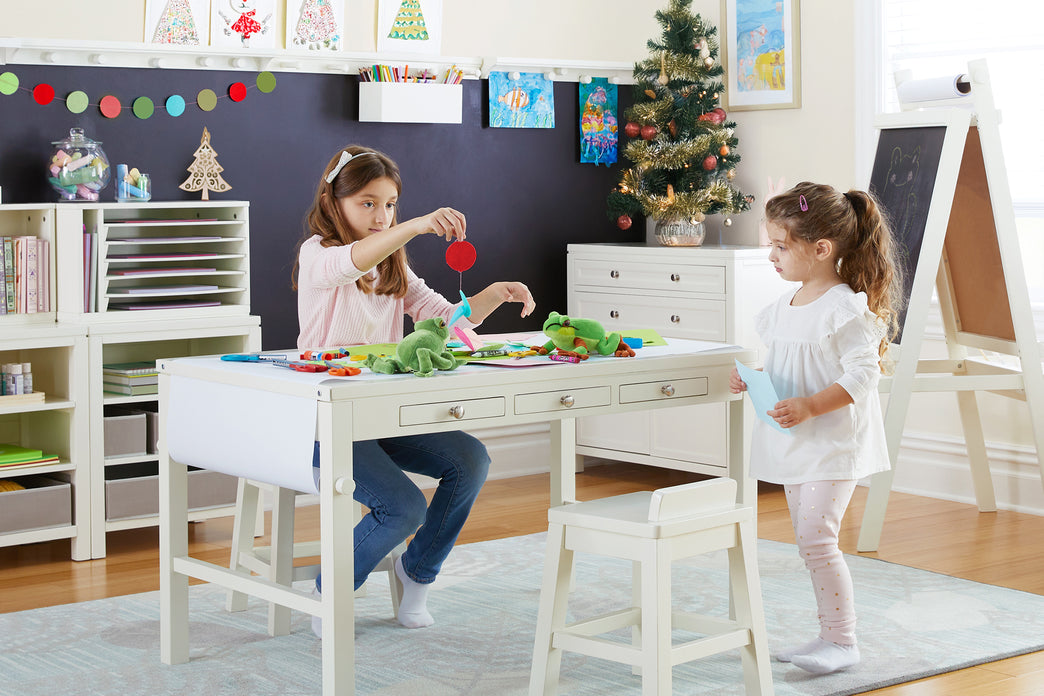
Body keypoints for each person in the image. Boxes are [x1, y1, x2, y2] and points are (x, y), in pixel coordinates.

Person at [294, 145, 536, 633]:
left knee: (470, 461)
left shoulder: (393, 267)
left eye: (389, 204)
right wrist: (418, 225)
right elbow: (350, 263)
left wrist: (494, 294)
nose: (381, 216)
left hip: (382, 413)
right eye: (367, 203)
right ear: (334, 201)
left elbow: (446, 321)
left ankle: (416, 573)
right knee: (403, 507)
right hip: (326, 420)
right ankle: (331, 592)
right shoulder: (318, 255)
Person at [730, 181, 901, 675]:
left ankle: (843, 642)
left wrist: (809, 406)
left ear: (821, 249)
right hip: (796, 443)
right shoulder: (784, 306)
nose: (772, 256)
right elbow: (787, 366)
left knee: (817, 539)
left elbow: (864, 374)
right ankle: (829, 634)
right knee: (810, 542)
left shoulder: (844, 306)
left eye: (781, 246)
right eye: (772, 245)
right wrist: (752, 380)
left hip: (832, 442)